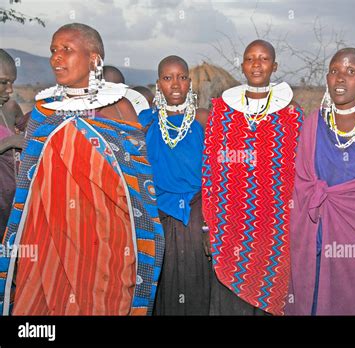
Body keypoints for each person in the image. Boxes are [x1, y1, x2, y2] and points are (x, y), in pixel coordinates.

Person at [0, 23, 164, 315]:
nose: (56, 59)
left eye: (67, 50)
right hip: (47, 240)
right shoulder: (45, 111)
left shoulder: (118, 109)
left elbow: (137, 183)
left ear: (94, 60)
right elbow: (29, 181)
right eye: (53, 50)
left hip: (106, 241)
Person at [287, 48, 355, 315]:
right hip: (317, 234)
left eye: (350, 72)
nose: (340, 78)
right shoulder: (314, 123)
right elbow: (303, 185)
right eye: (334, 71)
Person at [202, 40, 304, 315]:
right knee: (229, 302)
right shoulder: (222, 113)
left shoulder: (291, 115)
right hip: (229, 225)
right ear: (243, 65)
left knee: (272, 293)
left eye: (264, 59)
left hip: (276, 228)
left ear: (275, 66)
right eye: (250, 59)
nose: (257, 65)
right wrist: (207, 224)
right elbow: (210, 172)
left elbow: (300, 173)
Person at [138, 55, 210, 315]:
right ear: (159, 84)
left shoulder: (203, 119)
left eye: (181, 77)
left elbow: (216, 173)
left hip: (196, 215)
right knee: (162, 284)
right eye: (168, 78)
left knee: (196, 282)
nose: (176, 84)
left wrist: (208, 224)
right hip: (158, 216)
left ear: (189, 82)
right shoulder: (145, 122)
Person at [0, 49, 28, 240]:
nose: (10, 90)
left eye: (12, 82)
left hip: (14, 201)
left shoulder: (9, 108)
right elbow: (14, 140)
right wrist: (10, 142)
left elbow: (26, 130)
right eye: (3, 82)